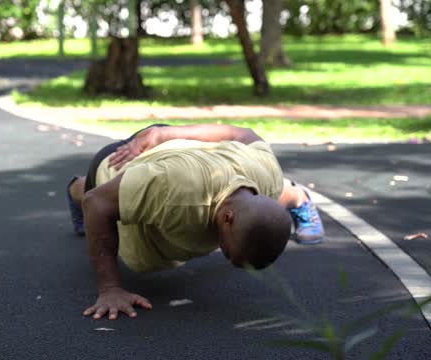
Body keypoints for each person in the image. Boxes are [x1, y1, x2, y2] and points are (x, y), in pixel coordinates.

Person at [66, 124, 325, 320]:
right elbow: (97, 203)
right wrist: (110, 288)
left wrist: (164, 134)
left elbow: (243, 134)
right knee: (90, 197)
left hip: (185, 155)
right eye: (227, 252)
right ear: (227, 217)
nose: (224, 254)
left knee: (269, 195)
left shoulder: (266, 173)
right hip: (119, 163)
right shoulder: (176, 192)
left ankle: (296, 196)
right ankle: (73, 189)